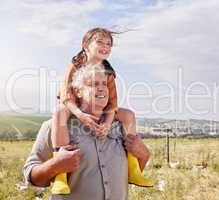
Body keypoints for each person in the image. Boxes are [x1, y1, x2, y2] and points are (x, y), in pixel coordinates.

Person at [23, 65, 151, 199]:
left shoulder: (122, 126)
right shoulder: (55, 126)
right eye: (94, 84)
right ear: (78, 92)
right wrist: (55, 165)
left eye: (104, 84)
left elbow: (129, 177)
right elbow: (32, 177)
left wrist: (144, 156)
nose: (101, 88)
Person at [52, 28, 153, 194]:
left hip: (102, 109)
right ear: (86, 45)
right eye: (100, 42)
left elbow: (112, 103)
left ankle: (133, 167)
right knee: (60, 112)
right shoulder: (75, 66)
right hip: (75, 107)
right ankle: (61, 176)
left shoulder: (109, 73)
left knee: (128, 115)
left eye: (109, 44)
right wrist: (80, 115)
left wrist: (106, 124)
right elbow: (66, 96)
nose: (105, 47)